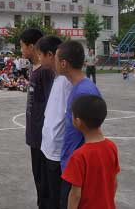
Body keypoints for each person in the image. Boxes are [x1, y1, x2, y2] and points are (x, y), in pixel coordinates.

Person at [55, 40, 102, 209]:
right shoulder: (77, 87)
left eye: (55, 58)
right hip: (71, 165)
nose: (54, 63)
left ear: (63, 63)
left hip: (79, 170)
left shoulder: (84, 91)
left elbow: (93, 133)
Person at [62, 95, 120, 209]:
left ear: (77, 121)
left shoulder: (79, 156)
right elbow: (114, 183)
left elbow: (75, 194)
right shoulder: (111, 147)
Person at [20, 29, 56, 209]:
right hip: (34, 133)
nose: (21, 50)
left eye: (21, 46)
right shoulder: (33, 68)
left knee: (44, 180)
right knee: (38, 177)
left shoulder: (46, 71)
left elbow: (51, 104)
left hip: (43, 136)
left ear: (31, 46)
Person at [37, 35, 71, 209]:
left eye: (40, 55)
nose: (39, 58)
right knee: (47, 193)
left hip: (57, 152)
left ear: (50, 55)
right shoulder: (56, 78)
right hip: (47, 147)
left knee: (57, 197)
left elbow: (68, 119)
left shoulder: (67, 81)